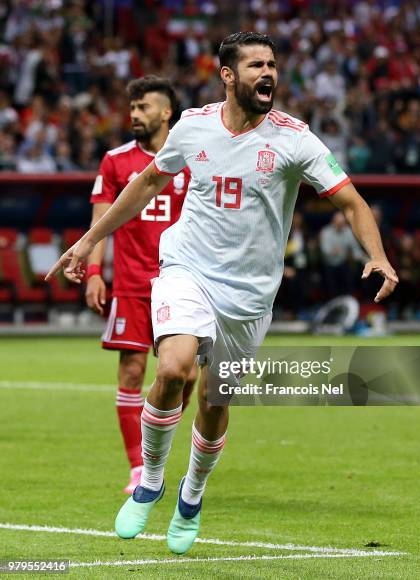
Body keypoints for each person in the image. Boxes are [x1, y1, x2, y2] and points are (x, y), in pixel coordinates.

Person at [46, 32, 398, 555]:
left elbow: (350, 202)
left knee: (214, 401)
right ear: (228, 75)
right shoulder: (193, 126)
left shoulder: (295, 139)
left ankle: (192, 495)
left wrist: (377, 253)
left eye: (273, 64)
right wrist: (90, 240)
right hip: (187, 268)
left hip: (250, 295)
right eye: (256, 64)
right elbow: (144, 186)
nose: (269, 73)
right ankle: (151, 478)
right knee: (171, 368)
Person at [86, 75, 196, 494]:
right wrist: (95, 272)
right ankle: (138, 468)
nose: (134, 115)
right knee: (131, 371)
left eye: (144, 107)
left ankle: (157, 439)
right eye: (132, 108)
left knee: (184, 378)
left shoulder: (191, 157)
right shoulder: (115, 161)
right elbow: (100, 219)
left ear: (166, 113)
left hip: (182, 281)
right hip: (132, 283)